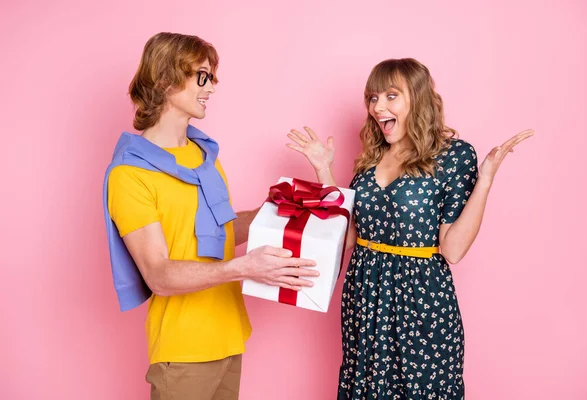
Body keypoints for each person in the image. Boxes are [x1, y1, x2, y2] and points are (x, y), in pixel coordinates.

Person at [286, 58, 534, 399]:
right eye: (373, 98)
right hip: (365, 297)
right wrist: (324, 171)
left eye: (391, 96)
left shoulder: (453, 156)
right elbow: (347, 238)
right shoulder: (371, 158)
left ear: (416, 99)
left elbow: (453, 249)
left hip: (421, 301)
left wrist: (486, 178)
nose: (378, 107)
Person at [102, 32, 318, 400]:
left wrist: (278, 210)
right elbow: (159, 274)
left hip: (229, 337)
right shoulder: (129, 174)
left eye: (212, 77)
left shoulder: (204, 156)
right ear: (167, 79)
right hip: (183, 352)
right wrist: (245, 268)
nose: (211, 88)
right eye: (202, 76)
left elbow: (220, 231)